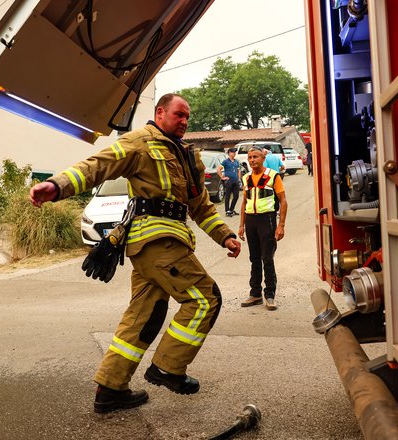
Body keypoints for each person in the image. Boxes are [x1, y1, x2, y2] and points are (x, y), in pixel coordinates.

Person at [29, 93, 241, 413]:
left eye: (188, 116)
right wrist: (57, 186)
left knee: (143, 318)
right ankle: (168, 367)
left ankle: (110, 389)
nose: (184, 121)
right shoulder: (140, 141)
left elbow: (201, 207)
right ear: (160, 112)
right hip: (156, 241)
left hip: (165, 242)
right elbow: (99, 164)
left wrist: (225, 236)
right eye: (178, 114)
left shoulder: (188, 157)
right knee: (205, 298)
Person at [238, 146, 287, 311]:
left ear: (263, 158)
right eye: (250, 157)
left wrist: (281, 225)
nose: (252, 160)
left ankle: (270, 295)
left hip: (267, 219)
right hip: (251, 220)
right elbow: (244, 202)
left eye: (256, 157)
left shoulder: (273, 176)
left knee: (267, 258)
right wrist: (241, 225)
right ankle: (255, 293)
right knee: (254, 258)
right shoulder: (246, 178)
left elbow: (283, 201)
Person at [217, 147, 242, 217]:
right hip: (229, 181)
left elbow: (238, 170)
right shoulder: (225, 161)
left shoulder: (236, 161)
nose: (234, 153)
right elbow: (218, 169)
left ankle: (231, 209)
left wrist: (239, 179)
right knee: (227, 195)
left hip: (235, 181)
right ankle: (227, 210)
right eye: (233, 152)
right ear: (229, 153)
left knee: (236, 196)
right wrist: (222, 177)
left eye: (235, 152)